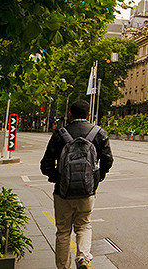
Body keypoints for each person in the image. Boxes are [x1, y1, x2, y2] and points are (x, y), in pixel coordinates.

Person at [40, 99, 113, 269]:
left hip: (62, 192)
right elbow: (108, 160)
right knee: (84, 224)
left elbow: (46, 164)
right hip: (87, 191)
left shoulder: (60, 134)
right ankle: (82, 257)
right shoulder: (98, 133)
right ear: (88, 115)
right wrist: (97, 177)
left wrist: (56, 177)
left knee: (63, 231)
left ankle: (63, 267)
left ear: (70, 115)